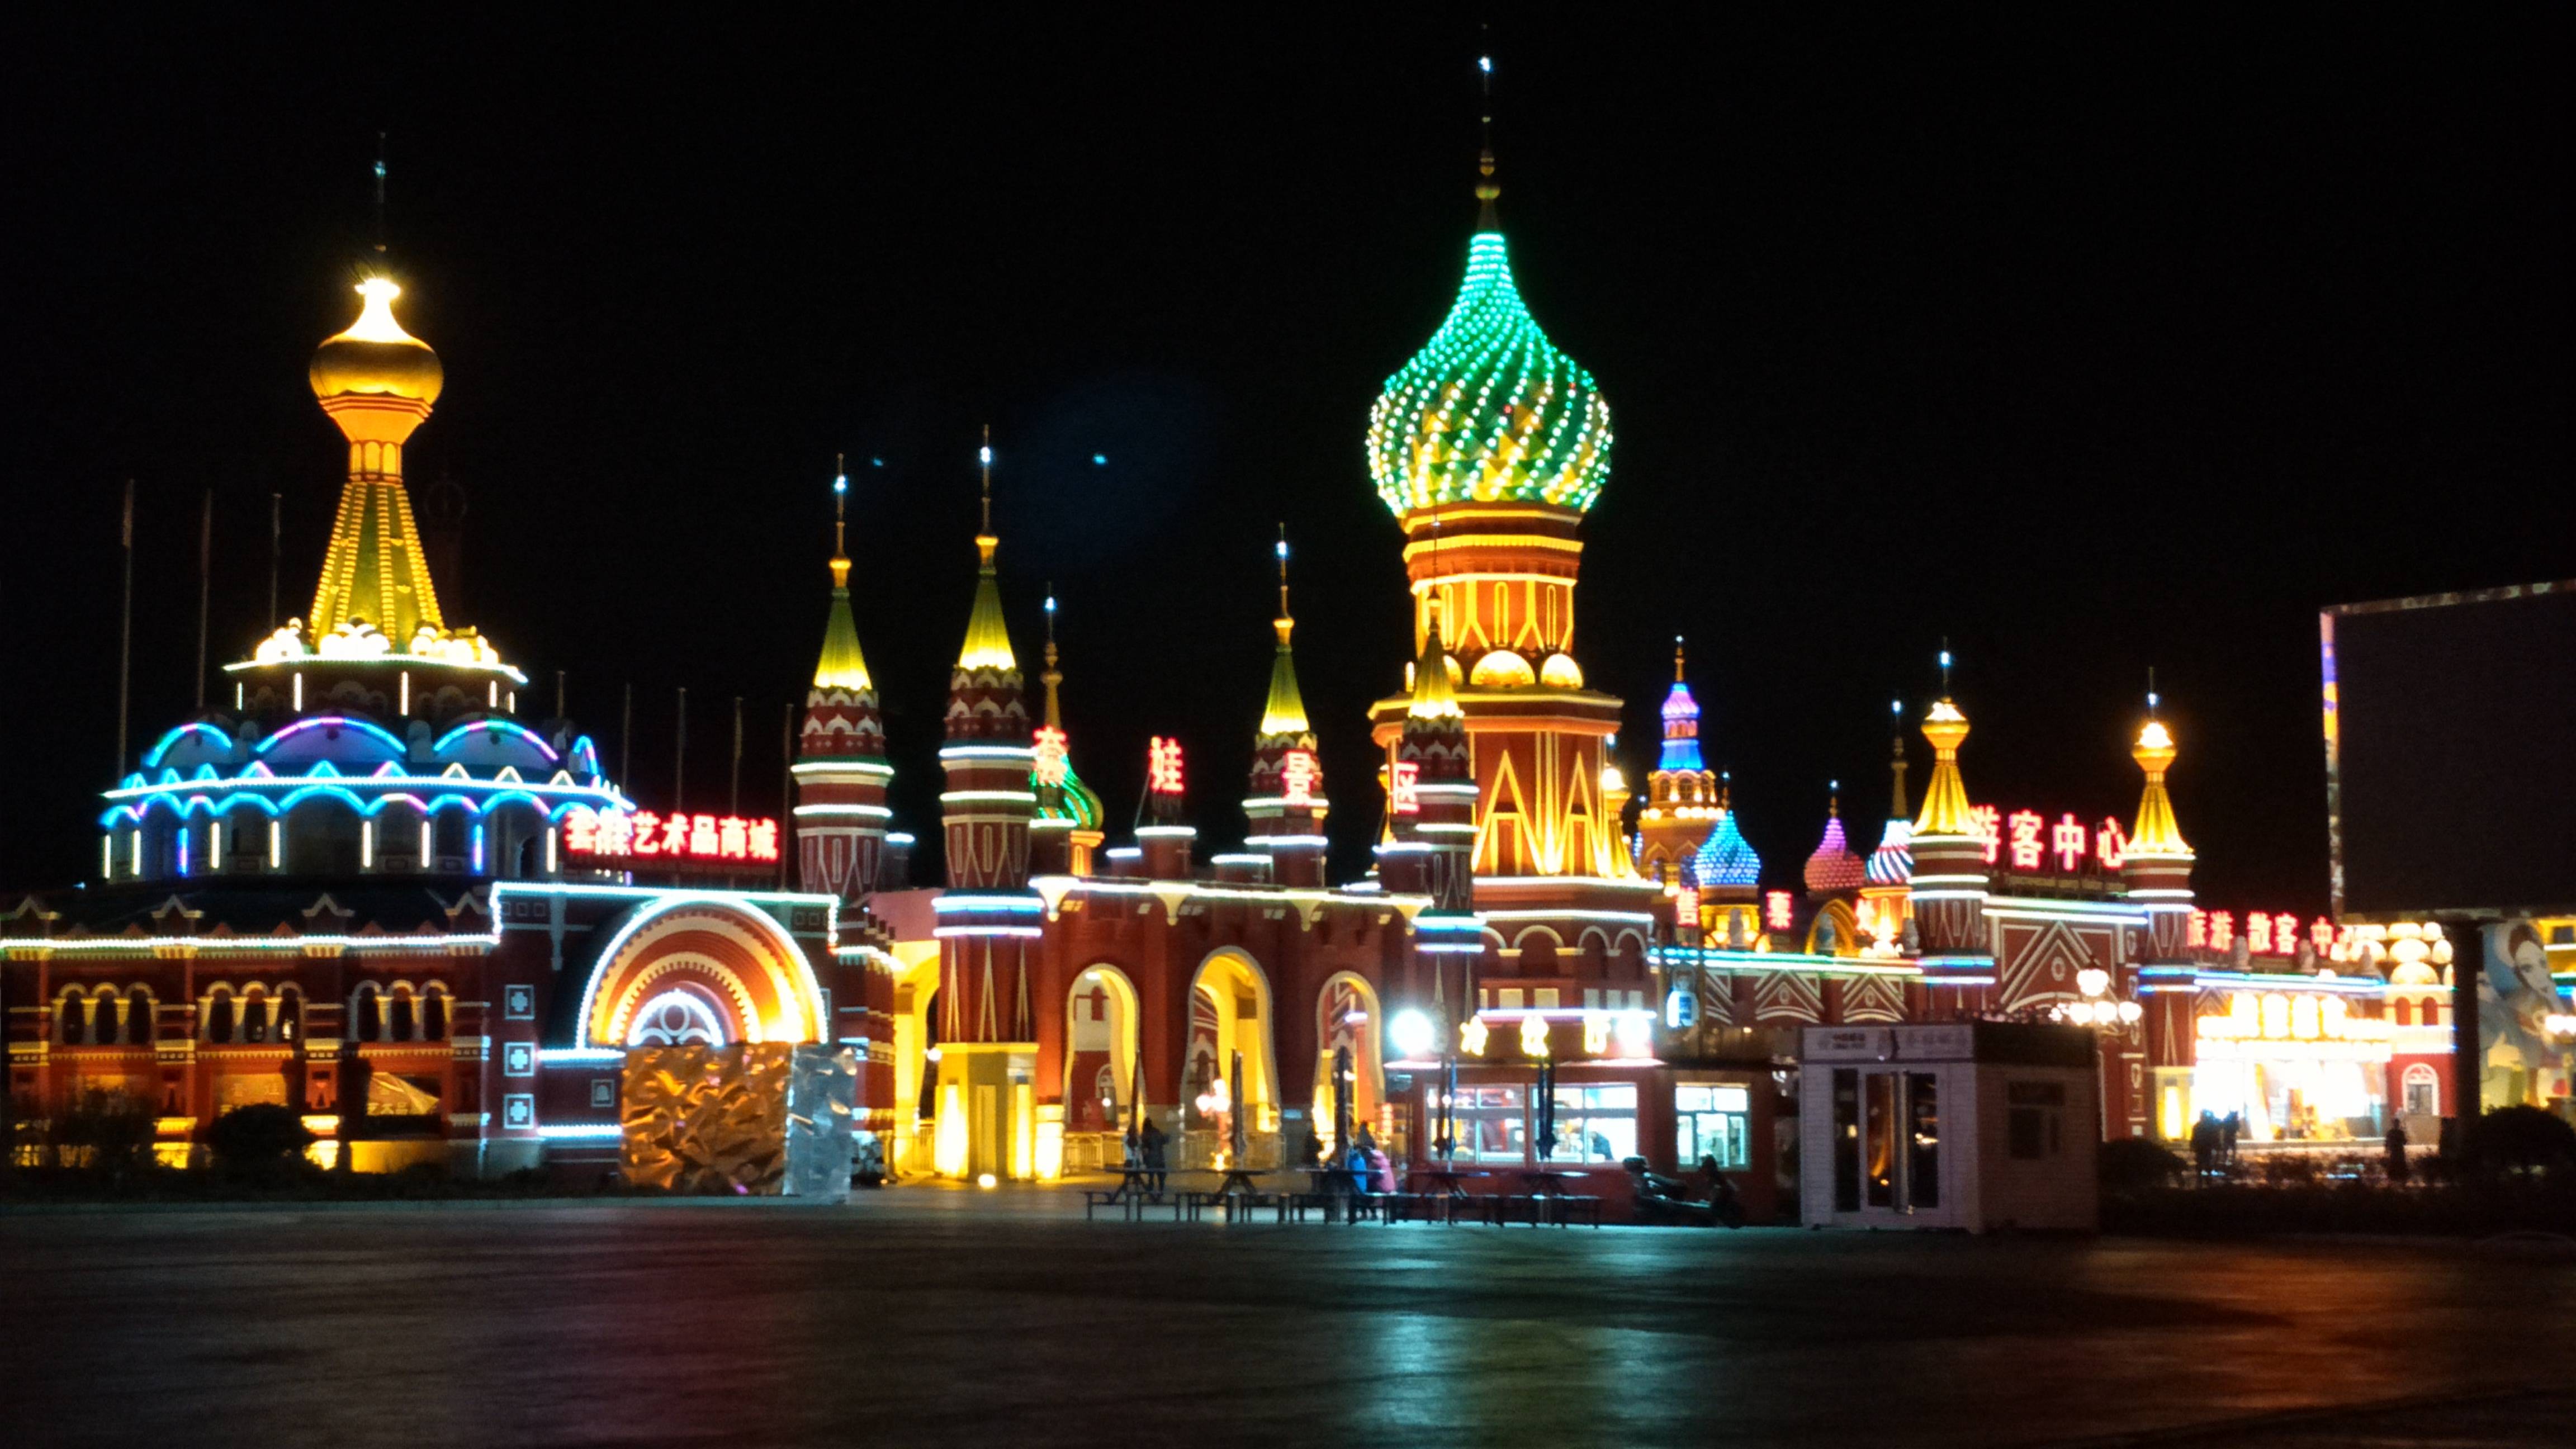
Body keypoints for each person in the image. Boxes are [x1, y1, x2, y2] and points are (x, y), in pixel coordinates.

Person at [1140, 1119, 1168, 1194]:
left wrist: (1144, 1160)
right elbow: (1164, 1141)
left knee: (1151, 1176)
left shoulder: (1145, 1134)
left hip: (1151, 1158)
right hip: (1160, 1157)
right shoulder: (1157, 1132)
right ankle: (1161, 1190)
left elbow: (1145, 1148)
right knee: (1161, 1176)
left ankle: (1151, 1189)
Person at [2190, 1111, 2219, 1182]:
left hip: (2202, 1147)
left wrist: (2192, 1146)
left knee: (2202, 1162)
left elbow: (2194, 1137)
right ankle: (2206, 1178)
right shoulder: (2209, 1126)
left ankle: (2201, 1178)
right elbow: (2214, 1137)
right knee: (2206, 1162)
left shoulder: (2198, 1126)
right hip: (2205, 1147)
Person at [2384, 1118, 2411, 1185]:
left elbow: (2387, 1142)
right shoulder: (2401, 1133)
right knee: (2401, 1164)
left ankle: (2393, 1178)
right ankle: (2401, 1177)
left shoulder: (2390, 1132)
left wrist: (2387, 1149)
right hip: (2400, 1151)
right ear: (2398, 1125)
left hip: (2394, 1151)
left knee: (2393, 1163)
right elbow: (2405, 1142)